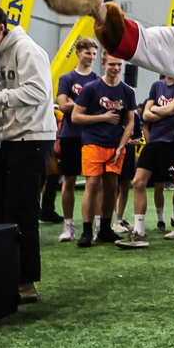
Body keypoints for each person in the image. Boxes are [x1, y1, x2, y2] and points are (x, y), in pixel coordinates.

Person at [0, 1, 57, 304]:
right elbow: (8, 95)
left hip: (33, 139)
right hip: (11, 139)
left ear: (1, 28)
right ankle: (3, 276)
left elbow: (38, 91)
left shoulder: (25, 49)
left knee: (23, 212)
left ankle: (25, 284)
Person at [71, 55, 136, 248]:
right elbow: (75, 116)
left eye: (119, 64)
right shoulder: (91, 88)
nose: (116, 68)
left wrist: (121, 146)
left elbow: (130, 122)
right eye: (112, 64)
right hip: (93, 143)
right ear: (103, 64)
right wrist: (103, 118)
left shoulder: (127, 91)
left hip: (116, 145)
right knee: (92, 185)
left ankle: (105, 229)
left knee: (111, 187)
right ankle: (86, 231)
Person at [118, 73, 174, 248]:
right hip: (154, 143)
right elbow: (146, 116)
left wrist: (156, 109)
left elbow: (172, 109)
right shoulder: (157, 86)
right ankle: (139, 233)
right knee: (138, 182)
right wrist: (164, 112)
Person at [54, 37, 97, 242]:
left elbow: (98, 107)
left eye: (94, 54)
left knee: (93, 182)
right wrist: (86, 104)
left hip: (92, 136)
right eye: (88, 52)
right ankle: (68, 225)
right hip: (70, 135)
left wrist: (76, 103)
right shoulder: (67, 78)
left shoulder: (97, 80)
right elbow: (63, 105)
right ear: (78, 53)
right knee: (69, 180)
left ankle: (94, 224)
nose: (91, 57)